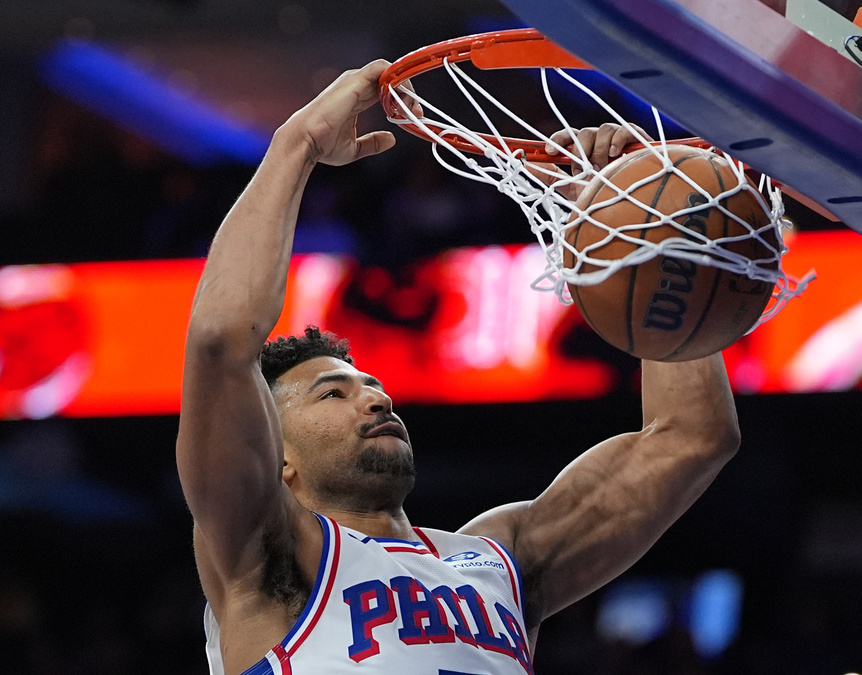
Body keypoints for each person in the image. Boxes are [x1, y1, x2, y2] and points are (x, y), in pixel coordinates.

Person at [176, 59, 740, 675]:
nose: (376, 399)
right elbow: (220, 341)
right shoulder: (268, 556)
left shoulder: (499, 560)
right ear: (275, 455)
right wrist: (299, 144)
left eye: (372, 386)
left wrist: (643, 234)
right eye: (332, 395)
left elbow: (692, 435)